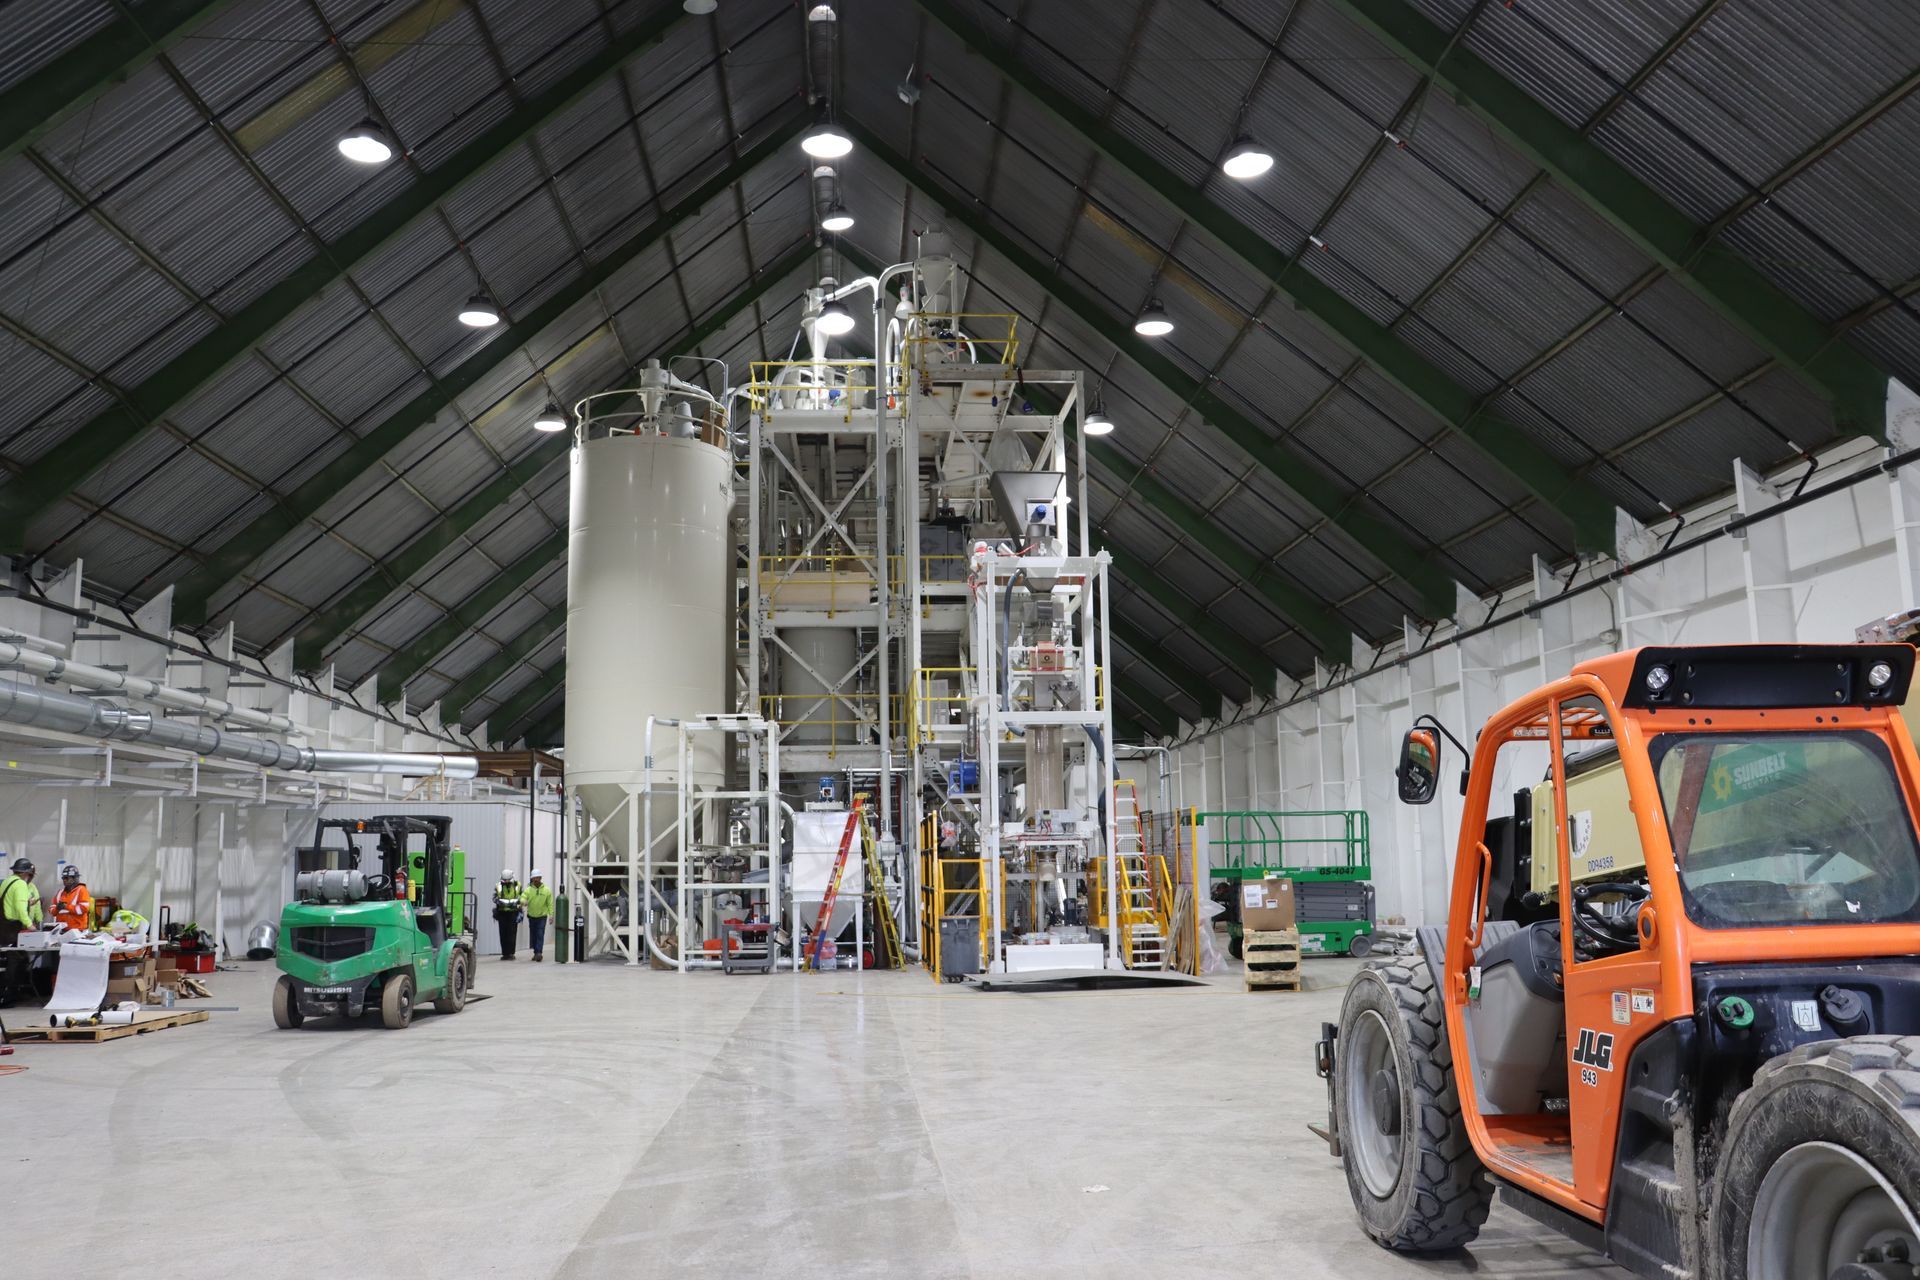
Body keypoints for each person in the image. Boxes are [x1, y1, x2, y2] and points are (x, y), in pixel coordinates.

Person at [0, 857, 43, 946]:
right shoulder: (20, 884)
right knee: (17, 958)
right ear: (25, 873)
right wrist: (29, 925)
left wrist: (28, 903)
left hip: (2, 926)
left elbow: (9, 902)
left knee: (5, 956)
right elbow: (20, 909)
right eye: (29, 874)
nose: (29, 877)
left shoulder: (6, 881)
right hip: (12, 929)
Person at [524, 869, 554, 962]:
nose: (536, 879)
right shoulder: (528, 890)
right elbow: (523, 897)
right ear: (532, 879)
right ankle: (535, 952)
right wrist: (523, 901)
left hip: (542, 916)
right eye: (534, 878)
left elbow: (550, 903)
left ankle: (539, 953)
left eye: (537, 877)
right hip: (531, 916)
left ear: (540, 878)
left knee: (540, 934)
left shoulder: (547, 890)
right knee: (533, 935)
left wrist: (551, 915)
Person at [493, 869, 523, 960]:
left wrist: (518, 902)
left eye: (508, 880)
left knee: (512, 933)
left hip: (513, 912)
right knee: (503, 933)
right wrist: (499, 901)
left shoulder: (518, 885)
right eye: (504, 880)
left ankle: (511, 953)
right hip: (502, 912)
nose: (506, 882)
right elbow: (494, 898)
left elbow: (522, 897)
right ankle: (505, 954)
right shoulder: (498, 886)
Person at [52, 865, 93, 932]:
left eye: (67, 878)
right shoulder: (60, 892)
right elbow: (52, 909)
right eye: (63, 878)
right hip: (61, 930)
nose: (64, 880)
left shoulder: (82, 890)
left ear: (74, 878)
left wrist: (66, 907)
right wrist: (57, 908)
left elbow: (84, 908)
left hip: (78, 930)